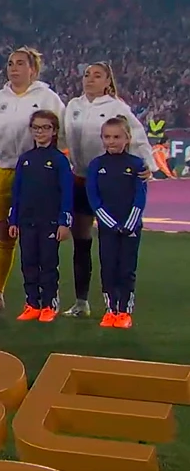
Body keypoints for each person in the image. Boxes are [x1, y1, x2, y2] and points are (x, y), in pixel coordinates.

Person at [61, 62, 155, 318]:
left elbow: (137, 136)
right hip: (81, 178)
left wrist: (147, 166)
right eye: (87, 75)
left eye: (97, 75)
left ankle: (116, 304)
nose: (90, 79)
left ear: (108, 82)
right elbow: (56, 133)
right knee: (81, 241)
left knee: (112, 238)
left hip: (110, 180)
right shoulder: (73, 106)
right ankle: (81, 301)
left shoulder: (116, 107)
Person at [0, 48, 65, 311]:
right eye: (9, 64)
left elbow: (63, 133)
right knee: (4, 232)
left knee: (41, 235)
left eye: (20, 63)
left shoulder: (47, 97)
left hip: (38, 172)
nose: (13, 68)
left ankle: (47, 296)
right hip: (6, 170)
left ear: (33, 69)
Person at [9, 110, 73, 323]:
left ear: (54, 131)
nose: (40, 132)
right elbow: (16, 192)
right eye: (36, 127)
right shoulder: (25, 159)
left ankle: (49, 304)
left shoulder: (59, 160)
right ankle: (32, 303)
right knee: (28, 262)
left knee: (48, 263)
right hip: (27, 221)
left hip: (50, 221)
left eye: (45, 127)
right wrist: (13, 219)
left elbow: (67, 192)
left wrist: (64, 222)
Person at [85, 116, 147, 329]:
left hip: (131, 228)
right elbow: (94, 198)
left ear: (127, 138)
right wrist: (110, 224)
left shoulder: (137, 164)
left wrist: (129, 224)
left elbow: (140, 197)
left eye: (116, 137)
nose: (111, 141)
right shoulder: (96, 165)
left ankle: (124, 312)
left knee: (126, 269)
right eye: (107, 137)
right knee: (108, 267)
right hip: (107, 228)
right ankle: (110, 310)